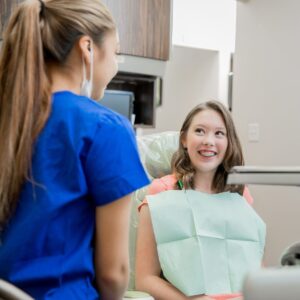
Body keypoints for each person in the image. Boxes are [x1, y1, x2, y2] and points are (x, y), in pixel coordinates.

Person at [0, 0, 149, 299]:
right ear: (87, 48)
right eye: (116, 52)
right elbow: (113, 274)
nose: (116, 64)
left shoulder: (9, 121)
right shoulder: (105, 129)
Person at [135, 101, 266, 300]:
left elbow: (255, 265)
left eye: (219, 133)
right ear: (184, 140)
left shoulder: (239, 194)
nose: (209, 141)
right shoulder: (162, 191)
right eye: (200, 131)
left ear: (229, 143)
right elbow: (145, 279)